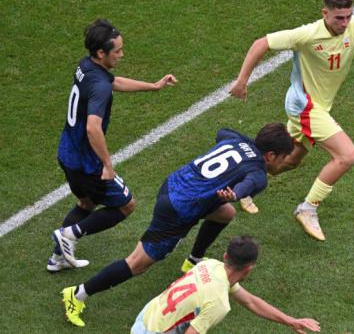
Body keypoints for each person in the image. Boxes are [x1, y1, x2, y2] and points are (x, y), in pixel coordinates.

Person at [60, 123, 293, 327]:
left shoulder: (235, 139)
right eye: (284, 158)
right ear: (271, 155)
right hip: (179, 209)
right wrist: (234, 193)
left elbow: (221, 133)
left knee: (225, 214)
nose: (285, 164)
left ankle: (192, 261)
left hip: (173, 184)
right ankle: (78, 294)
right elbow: (247, 185)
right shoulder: (259, 175)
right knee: (137, 264)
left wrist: (234, 183)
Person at [229, 0, 354, 241]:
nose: (345, 23)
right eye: (339, 18)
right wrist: (242, 81)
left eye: (348, 16)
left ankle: (242, 185)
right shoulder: (308, 34)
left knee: (288, 162)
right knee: (346, 156)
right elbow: (262, 43)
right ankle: (308, 208)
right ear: (325, 13)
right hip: (304, 104)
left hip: (320, 106)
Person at [49, 18, 177, 272]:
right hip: (88, 161)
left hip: (67, 152)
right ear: (101, 52)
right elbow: (93, 127)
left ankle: (58, 257)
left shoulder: (86, 66)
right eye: (117, 50)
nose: (122, 54)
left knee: (86, 203)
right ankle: (69, 235)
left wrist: (153, 86)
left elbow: (113, 82)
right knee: (126, 205)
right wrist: (107, 164)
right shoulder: (99, 86)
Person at [130, 235, 321, 334]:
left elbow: (250, 302)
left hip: (146, 317)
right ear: (249, 268)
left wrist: (290, 321)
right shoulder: (218, 303)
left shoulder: (209, 265)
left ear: (225, 256)